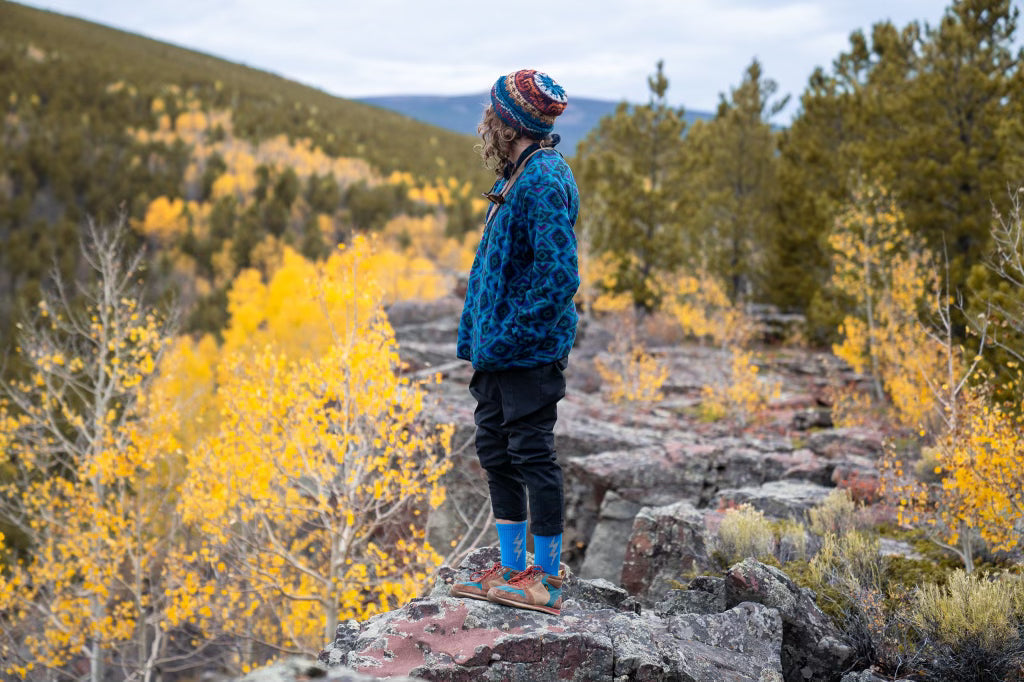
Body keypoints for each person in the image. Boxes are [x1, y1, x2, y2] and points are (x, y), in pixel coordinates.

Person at [451, 69, 580, 616]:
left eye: (493, 114)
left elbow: (558, 277)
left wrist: (507, 335)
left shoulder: (544, 180)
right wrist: (485, 339)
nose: (485, 122)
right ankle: (511, 569)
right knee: (497, 453)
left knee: (532, 454)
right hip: (498, 354)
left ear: (511, 123)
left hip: (525, 354)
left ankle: (545, 581)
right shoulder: (517, 173)